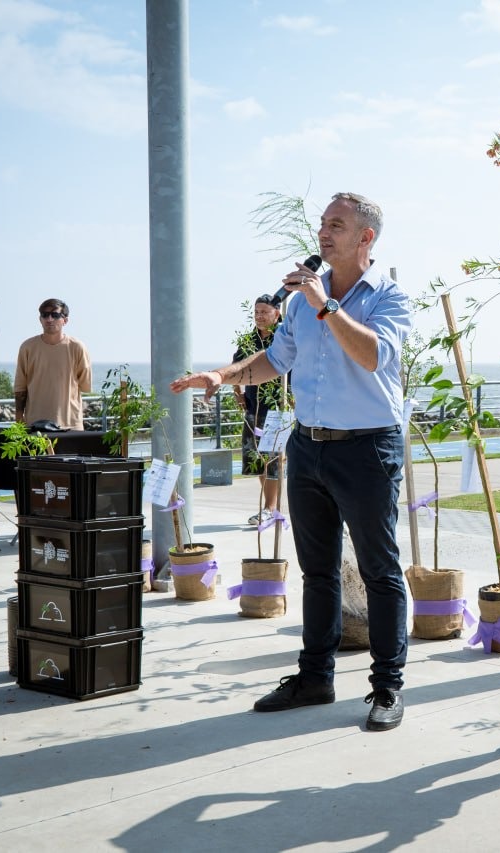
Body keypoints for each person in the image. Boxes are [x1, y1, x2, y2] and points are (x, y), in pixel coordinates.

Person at [171, 192, 411, 732]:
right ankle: (315, 677)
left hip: (368, 447)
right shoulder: (301, 302)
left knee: (379, 569)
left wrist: (325, 302)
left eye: (337, 225)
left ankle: (387, 687)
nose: (324, 233)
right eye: (324, 223)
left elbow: (373, 356)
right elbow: (277, 360)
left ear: (365, 238)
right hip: (308, 446)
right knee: (317, 570)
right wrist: (223, 375)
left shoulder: (388, 297)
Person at [233, 294, 286, 525]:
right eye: (256, 312)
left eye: (264, 312)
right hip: (254, 408)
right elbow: (234, 368)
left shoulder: (285, 338)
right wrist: (238, 393)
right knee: (256, 459)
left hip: (278, 408)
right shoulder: (248, 341)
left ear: (277, 313)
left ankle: (270, 508)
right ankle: (270, 506)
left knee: (273, 459)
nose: (259, 316)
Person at [13, 298, 92, 430]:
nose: (49, 319)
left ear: (65, 320)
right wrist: (19, 423)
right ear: (40, 319)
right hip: (35, 425)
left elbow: (85, 386)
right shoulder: (27, 347)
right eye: (45, 315)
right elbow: (20, 388)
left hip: (70, 425)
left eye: (55, 315)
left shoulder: (77, 347)